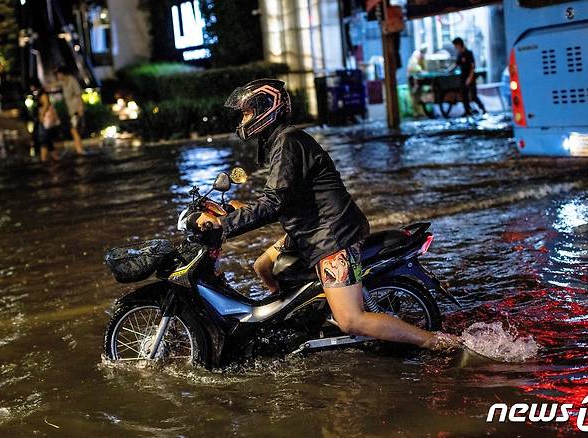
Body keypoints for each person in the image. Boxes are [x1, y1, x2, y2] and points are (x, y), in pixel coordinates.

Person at [196, 79, 459, 351]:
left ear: (266, 110)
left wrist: (223, 225)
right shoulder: (279, 142)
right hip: (308, 229)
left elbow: (275, 202)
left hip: (331, 235)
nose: (244, 118)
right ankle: (301, 317)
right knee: (263, 266)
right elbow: (282, 197)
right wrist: (230, 211)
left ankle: (438, 342)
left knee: (351, 320)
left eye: (247, 112)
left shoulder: (288, 142)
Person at [449, 37, 486, 117]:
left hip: (470, 77)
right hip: (463, 77)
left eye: (456, 45)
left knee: (474, 96)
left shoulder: (469, 53)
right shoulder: (459, 54)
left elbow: (473, 67)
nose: (455, 47)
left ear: (459, 44)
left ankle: (483, 109)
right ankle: (467, 111)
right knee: (464, 95)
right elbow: (456, 64)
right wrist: (449, 70)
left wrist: (470, 78)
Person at [55, 66, 85, 155]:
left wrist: (80, 108)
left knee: (74, 129)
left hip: (75, 109)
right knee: (74, 130)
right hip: (71, 110)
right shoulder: (64, 82)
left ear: (62, 74)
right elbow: (55, 84)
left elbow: (79, 94)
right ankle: (78, 148)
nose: (57, 77)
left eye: (58, 75)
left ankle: (79, 149)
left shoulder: (72, 80)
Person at [37, 88, 61, 162]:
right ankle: (54, 156)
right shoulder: (44, 95)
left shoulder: (43, 95)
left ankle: (43, 158)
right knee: (47, 139)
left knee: (43, 138)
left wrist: (41, 114)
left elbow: (46, 104)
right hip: (46, 120)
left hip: (45, 120)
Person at [406, 45, 427, 118]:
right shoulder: (415, 55)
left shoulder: (422, 57)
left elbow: (424, 67)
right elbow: (414, 67)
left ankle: (420, 112)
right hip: (412, 78)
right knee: (414, 95)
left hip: (419, 79)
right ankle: (415, 113)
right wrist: (420, 70)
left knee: (419, 95)